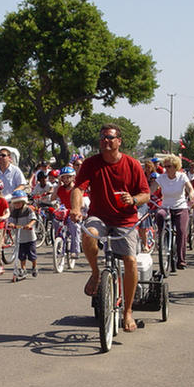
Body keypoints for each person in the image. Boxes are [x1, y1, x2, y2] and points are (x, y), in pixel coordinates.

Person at [70, 123, 150, 333]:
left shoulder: (132, 164)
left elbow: (146, 194)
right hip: (100, 216)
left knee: (130, 260)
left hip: (125, 219)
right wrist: (76, 209)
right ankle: (96, 274)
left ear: (119, 141)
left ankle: (128, 311)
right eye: (103, 137)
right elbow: (79, 188)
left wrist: (132, 199)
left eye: (110, 138)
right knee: (89, 234)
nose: (106, 141)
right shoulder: (91, 163)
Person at [155, 155, 194, 269]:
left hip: (180, 207)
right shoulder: (162, 178)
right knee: (159, 214)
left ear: (176, 167)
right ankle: (161, 236)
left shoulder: (182, 177)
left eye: (169, 166)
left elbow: (190, 189)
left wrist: (191, 194)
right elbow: (151, 189)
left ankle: (181, 260)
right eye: (165, 166)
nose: (166, 168)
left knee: (181, 232)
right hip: (166, 207)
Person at [50, 166, 82, 259]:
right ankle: (60, 246)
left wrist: (77, 210)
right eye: (63, 177)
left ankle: (75, 250)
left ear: (73, 177)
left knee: (75, 227)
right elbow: (53, 198)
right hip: (63, 213)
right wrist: (58, 185)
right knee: (56, 224)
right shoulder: (60, 189)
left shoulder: (76, 189)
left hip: (73, 212)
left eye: (68, 177)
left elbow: (81, 203)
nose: (66, 179)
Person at [8, 190, 38, 277]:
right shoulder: (14, 212)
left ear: (24, 202)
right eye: (15, 203)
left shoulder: (28, 210)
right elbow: (11, 221)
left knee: (32, 254)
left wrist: (29, 225)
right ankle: (23, 268)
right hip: (20, 238)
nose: (17, 205)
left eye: (19, 203)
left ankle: (34, 266)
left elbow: (33, 219)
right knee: (21, 255)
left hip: (29, 237)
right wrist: (11, 224)